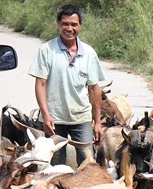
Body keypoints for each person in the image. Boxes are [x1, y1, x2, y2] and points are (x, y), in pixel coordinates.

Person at [28, 4, 106, 166]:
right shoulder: (47, 50)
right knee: (55, 164)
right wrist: (46, 115)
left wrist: (97, 122)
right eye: (65, 24)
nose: (69, 28)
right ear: (58, 24)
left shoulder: (89, 53)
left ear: (80, 26)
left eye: (74, 24)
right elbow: (40, 84)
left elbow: (94, 89)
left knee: (87, 162)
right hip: (54, 119)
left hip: (81, 118)